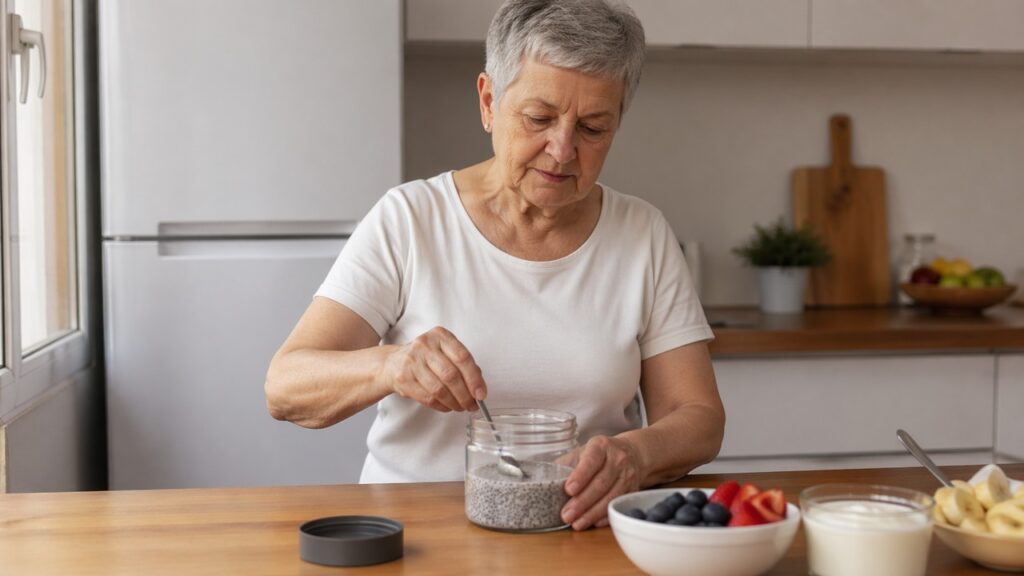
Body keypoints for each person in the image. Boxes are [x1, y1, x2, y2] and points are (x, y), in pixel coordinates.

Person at [265, 0, 724, 531]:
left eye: (593, 128)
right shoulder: (410, 220)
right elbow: (286, 386)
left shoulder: (642, 234)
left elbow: (699, 419)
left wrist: (635, 455)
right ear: (488, 102)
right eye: (539, 118)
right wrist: (391, 366)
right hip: (415, 534)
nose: (563, 149)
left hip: (577, 534)